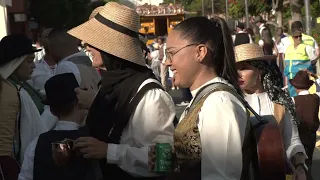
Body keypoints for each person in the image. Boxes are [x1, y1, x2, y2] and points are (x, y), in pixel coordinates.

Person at [67, 2, 176, 179]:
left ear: (110, 49)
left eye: (93, 41)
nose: (86, 45)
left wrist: (108, 151)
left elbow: (164, 161)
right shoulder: (111, 85)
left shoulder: (150, 95)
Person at [151, 16, 255, 179]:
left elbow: (221, 175)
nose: (167, 62)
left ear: (200, 52)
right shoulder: (204, 98)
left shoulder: (218, 102)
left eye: (171, 54)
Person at [235, 43, 307, 180]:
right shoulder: (233, 101)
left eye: (244, 68)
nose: (238, 74)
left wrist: (299, 166)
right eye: (235, 69)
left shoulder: (279, 101)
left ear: (260, 70)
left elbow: (292, 141)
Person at [18, 73, 96, 180]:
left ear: (51, 110)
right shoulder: (93, 141)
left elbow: (25, 177)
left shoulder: (37, 143)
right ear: (79, 103)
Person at [0, 34, 48, 179]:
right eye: (29, 61)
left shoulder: (18, 86)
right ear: (15, 63)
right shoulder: (10, 90)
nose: (33, 65)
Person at [290, 70, 320, 180]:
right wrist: (315, 77)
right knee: (309, 161)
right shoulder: (316, 98)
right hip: (311, 136)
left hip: (299, 136)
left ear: (296, 87)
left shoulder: (293, 100)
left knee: (300, 163)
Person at [284, 27, 318, 97]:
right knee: (293, 100)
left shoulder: (307, 47)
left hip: (301, 81)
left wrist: (307, 70)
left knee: (303, 99)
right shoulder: (288, 49)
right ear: (292, 38)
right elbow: (287, 63)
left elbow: (314, 60)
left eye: (300, 36)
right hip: (291, 79)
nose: (299, 38)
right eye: (296, 37)